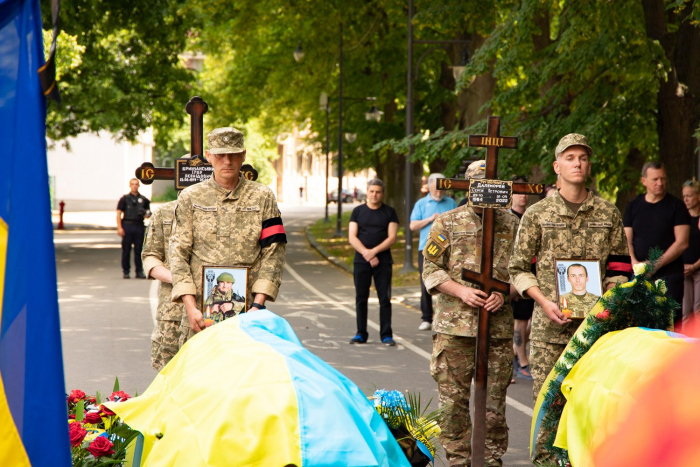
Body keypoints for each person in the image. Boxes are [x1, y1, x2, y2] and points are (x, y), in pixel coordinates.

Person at [508, 133, 632, 464]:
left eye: (583, 158)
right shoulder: (537, 214)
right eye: (570, 157)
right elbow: (518, 269)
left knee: (591, 411)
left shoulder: (608, 213)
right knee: (548, 413)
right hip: (549, 332)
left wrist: (609, 292)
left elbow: (621, 267)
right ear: (556, 166)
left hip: (594, 334)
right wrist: (542, 301)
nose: (577, 163)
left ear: (589, 165)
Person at [422, 160, 519, 467]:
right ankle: (459, 462)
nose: (486, 193)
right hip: (456, 329)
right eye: (480, 185)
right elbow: (431, 270)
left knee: (493, 409)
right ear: (469, 187)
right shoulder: (447, 222)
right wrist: (461, 290)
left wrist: (505, 293)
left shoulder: (512, 224)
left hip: (497, 330)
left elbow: (526, 272)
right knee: (453, 408)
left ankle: (490, 462)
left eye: (492, 185)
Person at [169, 127, 287, 346]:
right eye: (220, 155)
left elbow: (274, 251)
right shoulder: (190, 198)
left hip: (248, 312)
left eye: (233, 155)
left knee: (243, 376)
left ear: (243, 155)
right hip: (200, 312)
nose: (227, 161)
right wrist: (190, 306)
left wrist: (258, 305)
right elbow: (177, 253)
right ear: (208, 156)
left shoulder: (263, 196)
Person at [623, 162, 690, 326]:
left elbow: (682, 242)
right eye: (655, 179)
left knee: (671, 324)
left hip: (670, 277)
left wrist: (654, 265)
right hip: (639, 275)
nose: (660, 183)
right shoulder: (633, 207)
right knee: (638, 324)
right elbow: (626, 240)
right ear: (644, 181)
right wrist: (635, 264)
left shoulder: (677, 207)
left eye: (663, 179)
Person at [348, 179, 399, 346]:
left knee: (384, 298)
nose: (374, 195)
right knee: (361, 298)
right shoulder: (357, 211)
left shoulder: (390, 212)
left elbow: (392, 237)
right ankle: (361, 333)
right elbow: (352, 237)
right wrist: (367, 254)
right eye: (371, 191)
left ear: (382, 193)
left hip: (383, 262)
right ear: (367, 192)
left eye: (378, 192)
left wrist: (374, 252)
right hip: (361, 262)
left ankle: (386, 335)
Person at [410, 173, 458, 331]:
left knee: (450, 282)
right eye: (436, 189)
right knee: (426, 282)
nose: (438, 192)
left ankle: (446, 316)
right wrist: (431, 219)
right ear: (429, 186)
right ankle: (426, 317)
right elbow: (413, 226)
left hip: (449, 249)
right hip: (426, 249)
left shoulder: (450, 202)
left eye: (441, 189)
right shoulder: (421, 203)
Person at [142, 199, 184, 371]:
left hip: (221, 310)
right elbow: (150, 255)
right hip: (174, 310)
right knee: (170, 373)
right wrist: (180, 279)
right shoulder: (165, 212)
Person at [509, 176, 534, 382]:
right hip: (516, 278)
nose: (523, 195)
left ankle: (517, 355)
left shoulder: (532, 216)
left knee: (530, 320)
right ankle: (522, 362)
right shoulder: (508, 218)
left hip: (534, 275)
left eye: (525, 191)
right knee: (520, 320)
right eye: (518, 191)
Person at [117, 178, 151, 279]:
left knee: (139, 250)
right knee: (126, 250)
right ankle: (126, 271)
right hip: (127, 225)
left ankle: (139, 271)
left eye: (136, 184)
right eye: (133, 184)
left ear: (138, 186)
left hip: (139, 225)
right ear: (130, 186)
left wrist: (145, 214)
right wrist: (119, 228)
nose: (134, 186)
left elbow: (148, 213)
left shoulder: (144, 200)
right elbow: (118, 213)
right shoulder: (124, 199)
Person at [682, 180, 700, 327]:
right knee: (685, 311)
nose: (686, 199)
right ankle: (687, 346)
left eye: (689, 195)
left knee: (698, 309)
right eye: (684, 196)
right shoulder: (682, 218)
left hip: (698, 268)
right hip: (683, 270)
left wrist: (694, 266)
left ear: (698, 197)